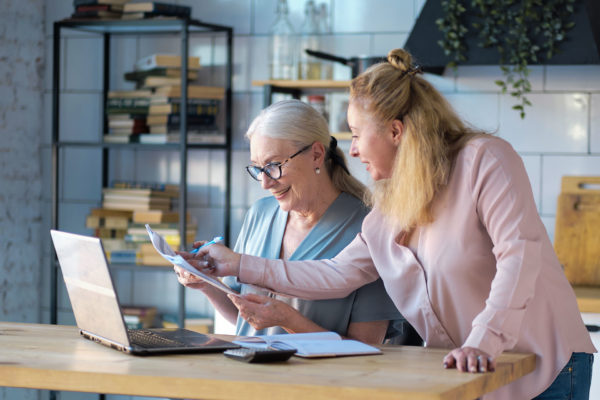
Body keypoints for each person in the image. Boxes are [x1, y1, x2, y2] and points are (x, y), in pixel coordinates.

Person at [189, 49, 596, 399]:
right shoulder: (387, 211)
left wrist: (483, 342)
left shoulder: (484, 161)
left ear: (395, 132)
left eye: (355, 133)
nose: (350, 150)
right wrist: (234, 265)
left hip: (546, 366)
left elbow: (518, 257)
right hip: (470, 375)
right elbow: (335, 274)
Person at [176, 99, 415, 344]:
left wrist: (288, 320)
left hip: (320, 381)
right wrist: (205, 283)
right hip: (251, 376)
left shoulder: (367, 226)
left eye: (273, 165)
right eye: (258, 169)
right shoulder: (260, 214)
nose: (265, 182)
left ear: (316, 155)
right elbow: (245, 318)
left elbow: (366, 348)